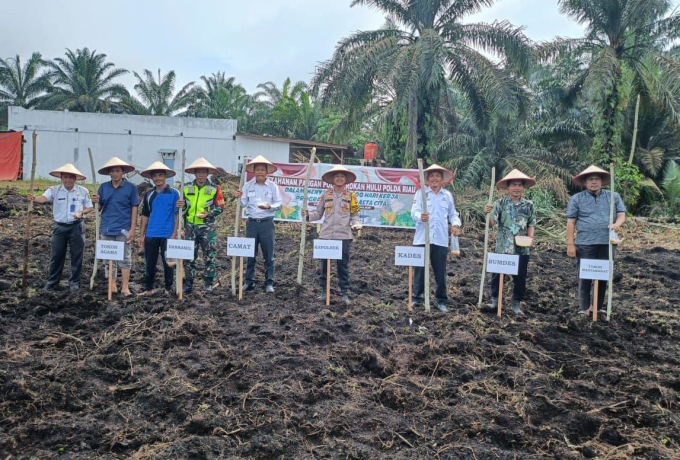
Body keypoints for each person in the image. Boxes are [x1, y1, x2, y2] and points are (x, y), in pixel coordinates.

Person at [566, 165, 626, 314]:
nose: (594, 182)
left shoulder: (613, 196)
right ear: (585, 182)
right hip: (585, 243)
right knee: (585, 275)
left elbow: (621, 214)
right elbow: (571, 223)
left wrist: (617, 224)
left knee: (603, 275)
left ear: (601, 181)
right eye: (591, 179)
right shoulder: (577, 199)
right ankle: (585, 308)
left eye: (597, 179)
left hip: (607, 243)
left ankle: (597, 307)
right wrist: (570, 244)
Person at [27, 163, 94, 293]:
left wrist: (82, 213)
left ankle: (74, 282)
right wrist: (34, 198)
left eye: (70, 177)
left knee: (77, 255)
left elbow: (89, 207)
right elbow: (43, 198)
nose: (68, 180)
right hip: (60, 227)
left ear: (75, 178)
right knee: (56, 255)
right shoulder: (54, 190)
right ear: (61, 178)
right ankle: (52, 281)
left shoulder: (83, 191)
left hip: (77, 227)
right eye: (65, 177)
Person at [302, 165, 362, 305]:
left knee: (343, 266)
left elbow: (354, 214)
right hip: (326, 235)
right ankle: (324, 291)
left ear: (346, 179)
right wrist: (307, 216)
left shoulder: (351, 196)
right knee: (325, 266)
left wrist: (356, 223)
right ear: (333, 179)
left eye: (342, 176)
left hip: (344, 236)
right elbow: (318, 213)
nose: (339, 178)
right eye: (337, 176)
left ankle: (344, 293)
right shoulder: (325, 195)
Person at [483, 169, 537, 315]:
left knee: (520, 276)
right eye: (514, 185)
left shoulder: (528, 205)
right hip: (503, 246)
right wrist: (487, 214)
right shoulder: (499, 203)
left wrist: (530, 239)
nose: (517, 188)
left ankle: (515, 303)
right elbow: (492, 223)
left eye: (519, 185)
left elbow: (531, 223)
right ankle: (495, 301)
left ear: (523, 187)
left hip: (521, 246)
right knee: (497, 274)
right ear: (508, 187)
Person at [411, 164, 461, 312]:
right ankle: (417, 298)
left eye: (437, 176)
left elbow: (453, 214)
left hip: (440, 239)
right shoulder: (421, 194)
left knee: (440, 271)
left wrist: (455, 224)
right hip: (422, 239)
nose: (434, 179)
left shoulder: (447, 196)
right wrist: (421, 217)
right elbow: (414, 213)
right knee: (419, 270)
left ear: (441, 179)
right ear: (427, 179)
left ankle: (441, 300)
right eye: (431, 176)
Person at [231, 155, 282, 293]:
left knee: (268, 254)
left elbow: (279, 204)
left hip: (267, 224)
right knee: (250, 253)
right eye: (257, 169)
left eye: (262, 169)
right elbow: (242, 203)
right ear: (253, 171)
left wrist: (269, 207)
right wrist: (236, 196)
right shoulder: (247, 186)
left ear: (267, 172)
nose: (260, 172)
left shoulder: (272, 186)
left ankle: (269, 283)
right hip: (252, 223)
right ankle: (249, 281)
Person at [176, 157, 225, 294]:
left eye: (204, 172)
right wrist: (181, 206)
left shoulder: (215, 188)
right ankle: (189, 283)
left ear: (208, 173)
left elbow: (221, 207)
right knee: (189, 256)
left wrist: (209, 214)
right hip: (190, 227)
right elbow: (182, 208)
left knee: (209, 255)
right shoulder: (185, 188)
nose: (201, 175)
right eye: (199, 172)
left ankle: (208, 282)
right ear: (194, 173)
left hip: (207, 227)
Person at [91, 157, 138, 296]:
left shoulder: (131, 188)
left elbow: (134, 208)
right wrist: (95, 202)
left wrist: (132, 229)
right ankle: (111, 284)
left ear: (123, 172)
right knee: (108, 258)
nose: (114, 174)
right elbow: (98, 208)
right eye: (112, 171)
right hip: (106, 227)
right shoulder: (104, 187)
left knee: (125, 258)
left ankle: (125, 286)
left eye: (117, 171)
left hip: (123, 228)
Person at [137, 161, 180, 296]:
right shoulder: (149, 195)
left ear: (165, 176)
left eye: (160, 175)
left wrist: (175, 233)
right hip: (151, 233)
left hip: (168, 233)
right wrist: (141, 234)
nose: (158, 178)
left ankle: (168, 288)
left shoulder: (175, 193)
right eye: (155, 176)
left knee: (169, 263)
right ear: (151, 178)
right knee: (150, 263)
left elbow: (178, 214)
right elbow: (145, 215)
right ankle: (148, 289)